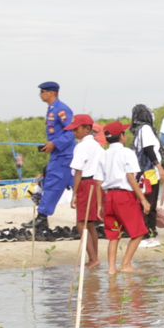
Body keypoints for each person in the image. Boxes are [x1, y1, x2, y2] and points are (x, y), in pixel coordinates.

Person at [98, 122, 150, 274]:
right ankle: (126, 264)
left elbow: (98, 181)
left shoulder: (104, 154)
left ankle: (112, 268)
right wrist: (143, 199)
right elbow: (131, 177)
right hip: (124, 196)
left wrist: (101, 204)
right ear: (121, 136)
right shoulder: (127, 152)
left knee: (114, 235)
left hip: (109, 196)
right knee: (139, 231)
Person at [35, 81, 75, 236]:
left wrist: (55, 144)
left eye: (43, 91)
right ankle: (41, 217)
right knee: (52, 184)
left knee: (55, 184)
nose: (41, 94)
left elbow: (71, 132)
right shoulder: (51, 109)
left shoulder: (62, 110)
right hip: (57, 154)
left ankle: (42, 217)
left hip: (65, 155)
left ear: (52, 93)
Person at [67, 113, 104, 264]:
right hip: (97, 184)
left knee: (81, 223)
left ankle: (93, 259)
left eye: (77, 129)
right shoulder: (98, 146)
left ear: (87, 129)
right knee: (90, 223)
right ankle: (94, 257)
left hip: (86, 183)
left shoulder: (81, 146)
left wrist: (74, 194)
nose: (74, 132)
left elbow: (78, 171)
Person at [130, 104, 163, 242]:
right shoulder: (146, 129)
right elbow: (149, 149)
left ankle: (146, 229)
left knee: (145, 200)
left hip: (142, 172)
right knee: (150, 201)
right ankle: (148, 230)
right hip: (149, 172)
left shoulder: (138, 130)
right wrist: (160, 167)